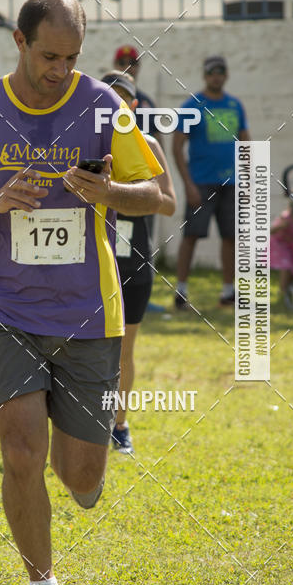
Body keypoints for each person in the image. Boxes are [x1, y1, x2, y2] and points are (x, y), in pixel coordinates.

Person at [0, 0, 163, 585]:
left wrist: (110, 191)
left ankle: (81, 462)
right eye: (49, 56)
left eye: (72, 58)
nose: (61, 70)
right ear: (20, 42)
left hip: (90, 314)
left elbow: (156, 194)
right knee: (21, 451)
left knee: (81, 476)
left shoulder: (104, 107)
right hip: (7, 309)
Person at [100, 71, 176, 454]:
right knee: (82, 349)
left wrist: (125, 195)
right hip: (91, 260)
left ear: (134, 105)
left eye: (123, 100)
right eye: (108, 99)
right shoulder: (84, 145)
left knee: (123, 350)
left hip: (134, 262)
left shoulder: (148, 144)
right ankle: (80, 424)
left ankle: (119, 425)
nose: (116, 107)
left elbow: (170, 203)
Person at [172, 55, 250, 310]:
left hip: (231, 182)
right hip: (201, 183)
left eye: (220, 72)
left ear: (226, 75)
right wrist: (188, 184)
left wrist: (247, 178)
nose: (216, 76)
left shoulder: (235, 105)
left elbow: (245, 142)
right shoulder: (192, 106)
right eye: (211, 72)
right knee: (191, 236)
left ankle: (228, 292)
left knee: (231, 237)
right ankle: (181, 291)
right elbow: (177, 146)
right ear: (205, 76)